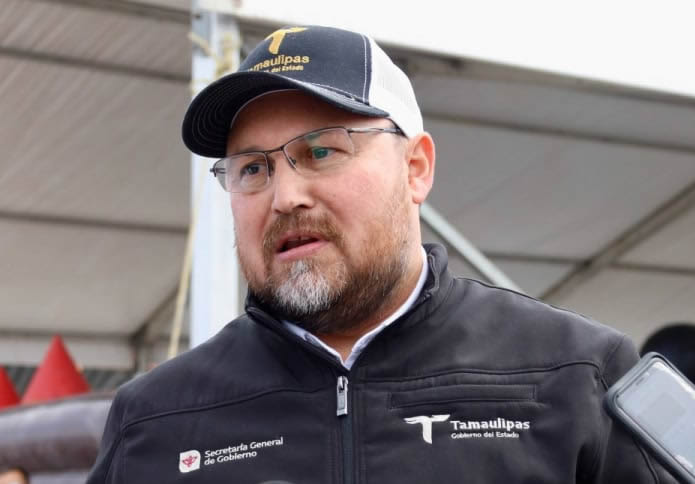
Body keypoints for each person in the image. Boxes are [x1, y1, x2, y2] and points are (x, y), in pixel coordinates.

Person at [87, 25, 677, 483]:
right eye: (252, 168)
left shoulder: (579, 373)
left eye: (321, 152)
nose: (284, 197)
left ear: (415, 168)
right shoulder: (154, 419)